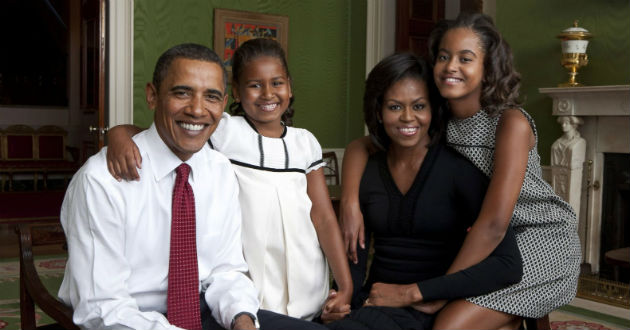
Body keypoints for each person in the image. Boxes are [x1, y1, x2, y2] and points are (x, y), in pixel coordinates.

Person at [58, 43, 326, 330]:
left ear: (223, 104)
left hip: (206, 311)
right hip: (132, 319)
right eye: (182, 92)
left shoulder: (220, 170)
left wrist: (242, 319)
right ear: (152, 96)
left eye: (210, 96)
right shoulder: (103, 181)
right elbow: (103, 308)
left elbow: (227, 271)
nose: (197, 110)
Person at [340, 12, 581, 329]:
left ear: (488, 68)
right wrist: (350, 203)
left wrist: (436, 291)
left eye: (465, 58)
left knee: (447, 323)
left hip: (538, 237)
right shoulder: (438, 118)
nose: (451, 66)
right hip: (487, 240)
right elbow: (363, 146)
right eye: (443, 56)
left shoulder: (511, 123)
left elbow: (495, 224)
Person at [322, 52, 522, 330]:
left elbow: (507, 265)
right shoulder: (367, 169)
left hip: (431, 309)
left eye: (419, 106)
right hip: (375, 302)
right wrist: (342, 300)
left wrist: (424, 291)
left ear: (433, 109)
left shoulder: (459, 170)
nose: (407, 118)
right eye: (394, 107)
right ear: (378, 111)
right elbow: (355, 260)